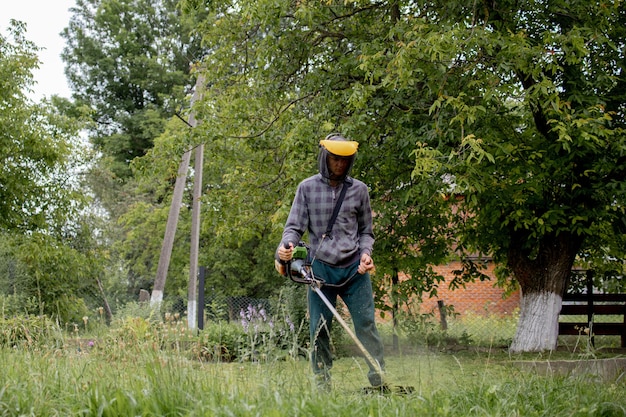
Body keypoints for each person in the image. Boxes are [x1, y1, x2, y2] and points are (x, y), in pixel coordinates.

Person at [275, 133, 385, 390]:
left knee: (366, 324)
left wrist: (366, 253)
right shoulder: (307, 188)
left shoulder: (359, 190)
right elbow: (293, 227)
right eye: (335, 159)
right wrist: (286, 247)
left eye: (345, 160)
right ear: (325, 158)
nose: (340, 165)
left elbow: (366, 232)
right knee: (319, 330)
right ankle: (322, 386)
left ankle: (379, 381)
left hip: (354, 270)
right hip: (320, 271)